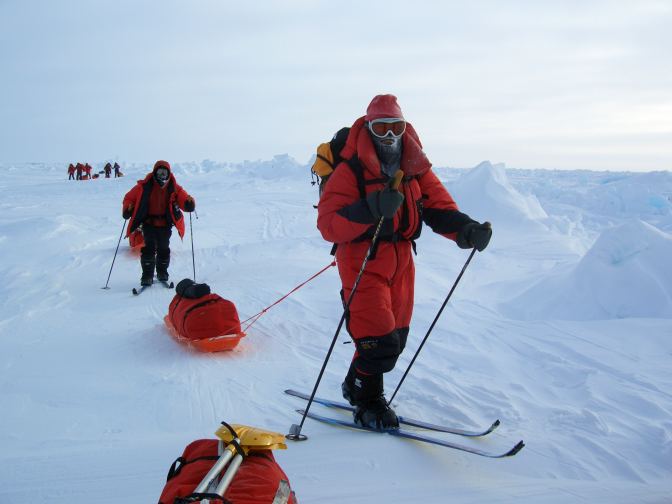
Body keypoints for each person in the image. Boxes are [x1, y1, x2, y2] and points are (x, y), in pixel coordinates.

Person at [317, 94, 492, 430]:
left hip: (401, 261)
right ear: (368, 127)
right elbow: (329, 224)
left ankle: (355, 384)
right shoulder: (351, 168)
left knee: (393, 340)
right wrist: (371, 208)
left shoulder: (413, 165)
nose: (389, 136)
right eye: (380, 127)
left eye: (395, 127)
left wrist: (466, 230)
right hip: (362, 258)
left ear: (404, 126)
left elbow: (439, 207)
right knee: (377, 340)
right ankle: (369, 403)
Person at [122, 160, 195, 286]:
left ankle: (162, 273)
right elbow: (129, 198)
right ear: (155, 172)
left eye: (164, 172)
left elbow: (184, 198)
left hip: (165, 224)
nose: (162, 175)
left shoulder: (174, 187)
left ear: (168, 173)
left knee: (163, 248)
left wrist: (189, 203)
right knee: (148, 248)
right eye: (160, 172)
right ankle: (147, 276)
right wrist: (128, 208)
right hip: (148, 223)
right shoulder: (144, 186)